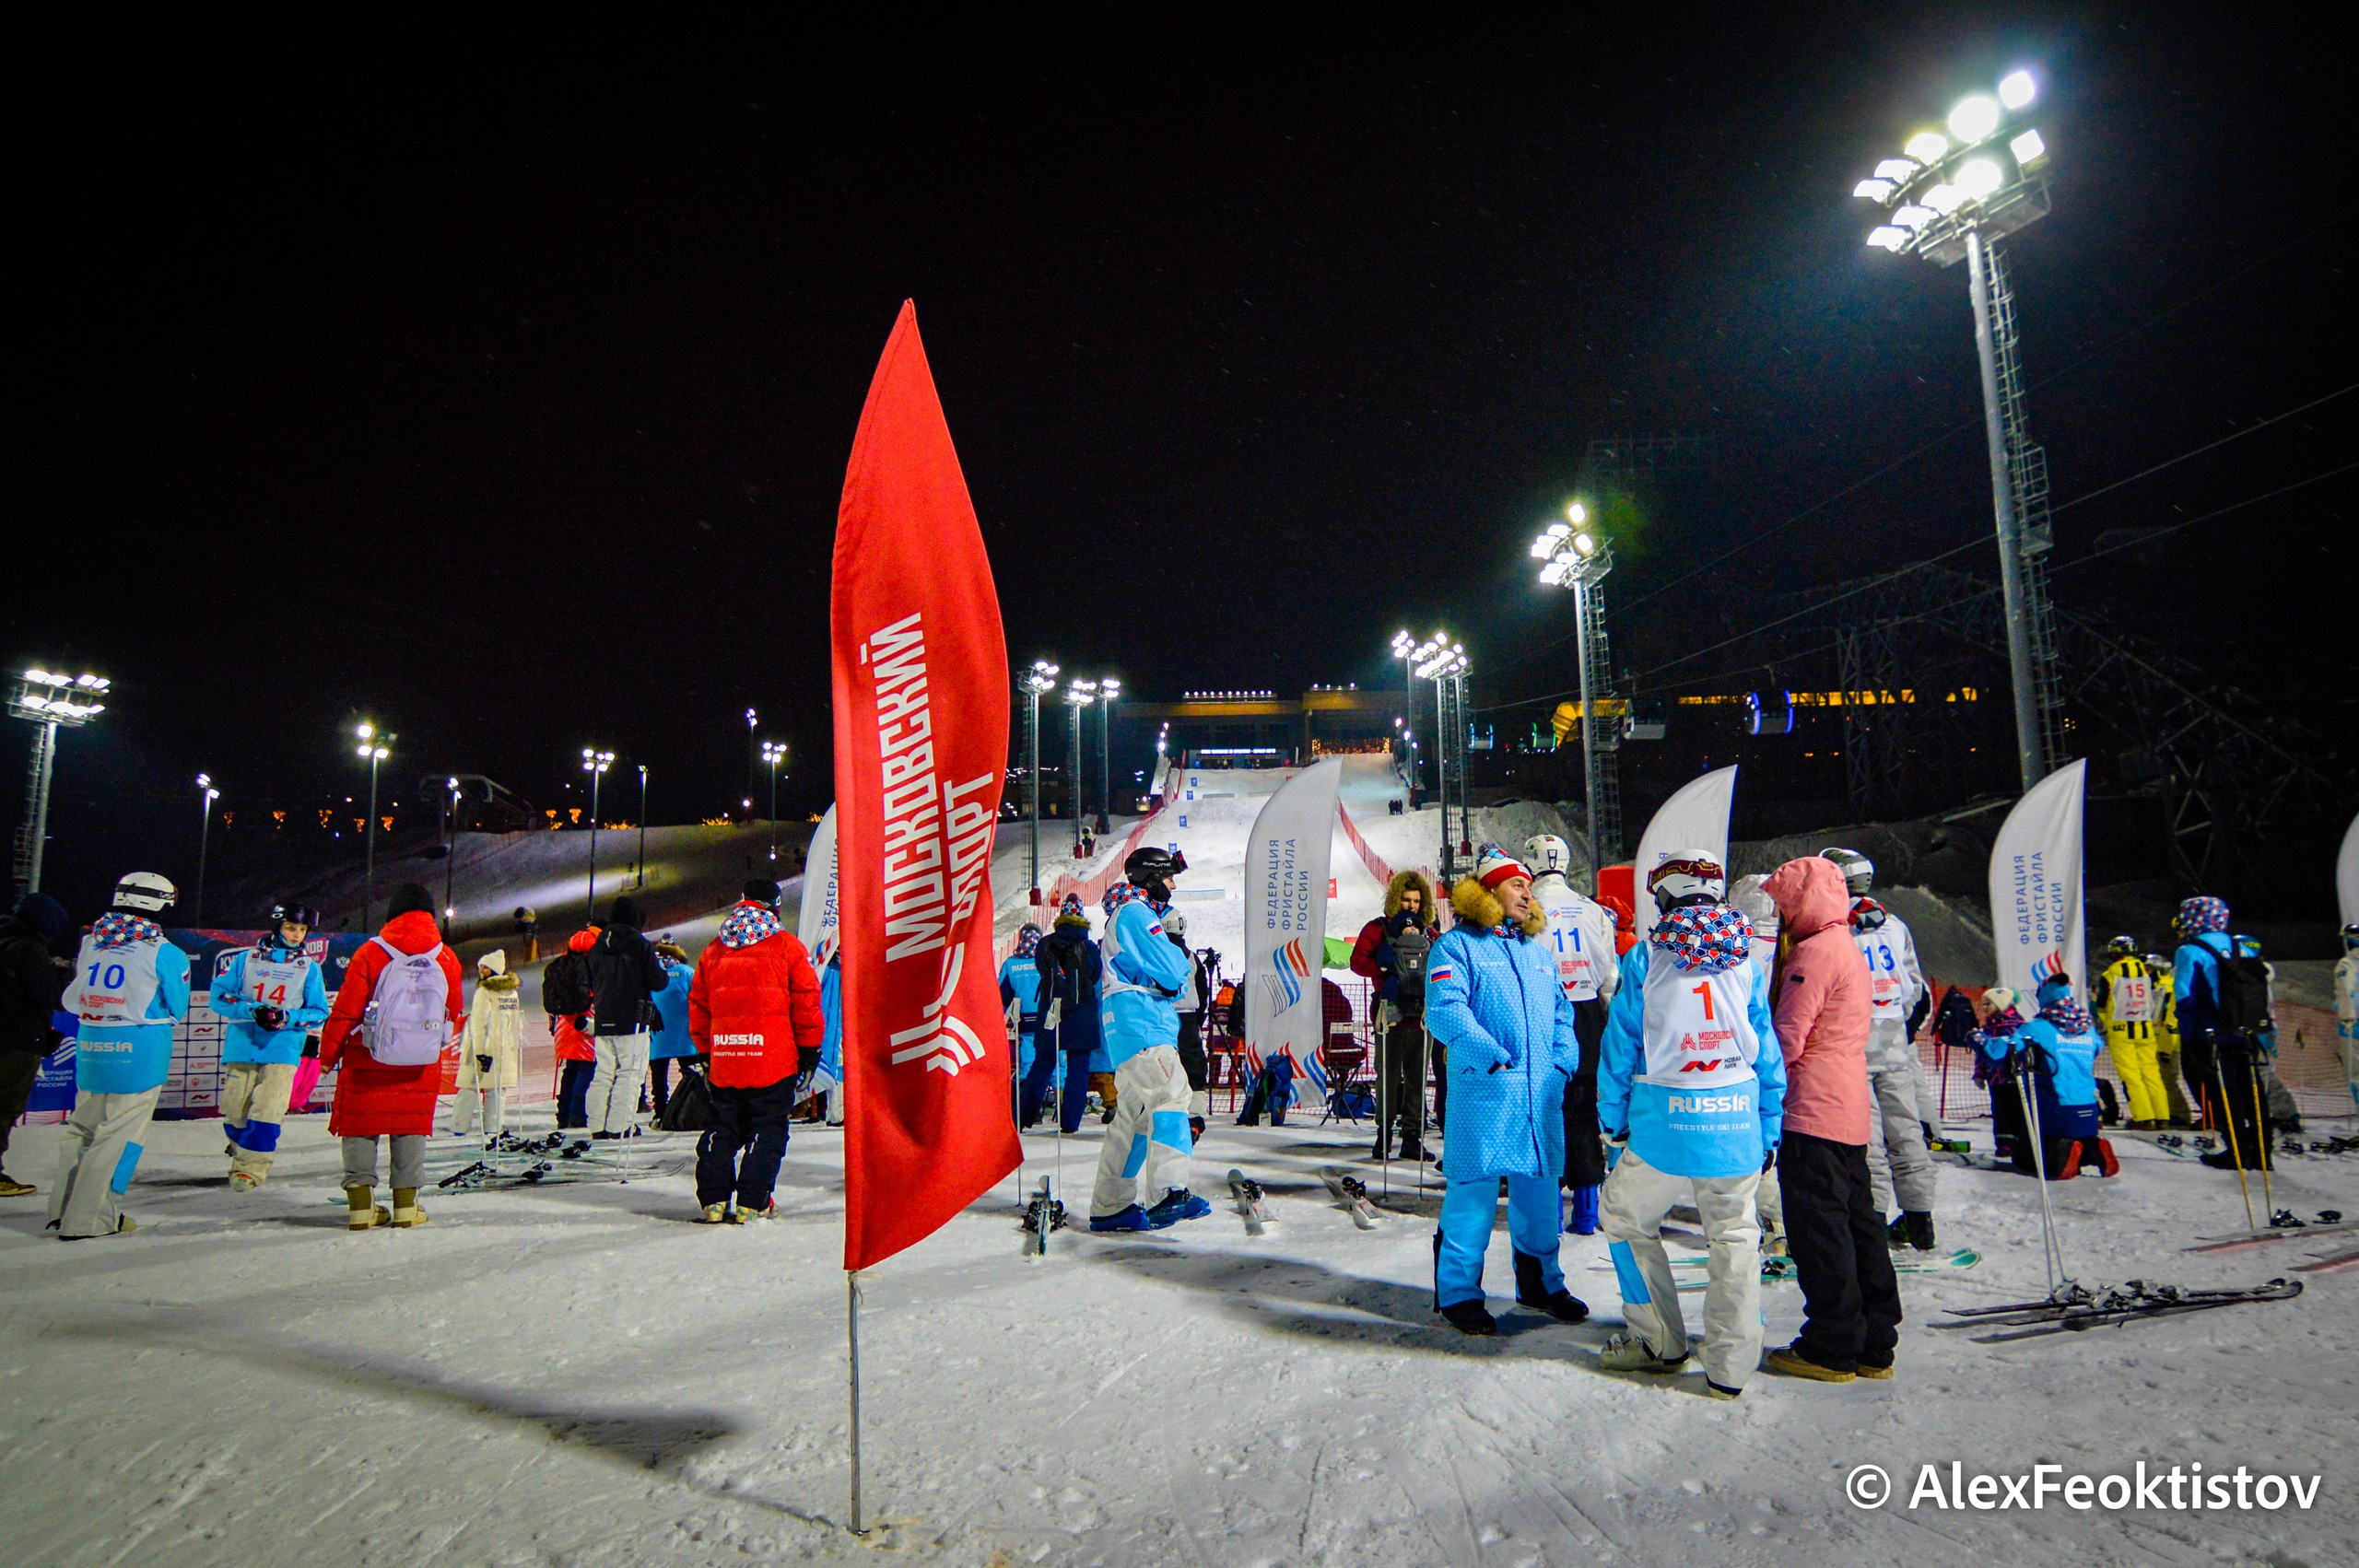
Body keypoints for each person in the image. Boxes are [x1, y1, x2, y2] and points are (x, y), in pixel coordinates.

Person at [1594, 850, 1785, 1398]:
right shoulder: (1746, 957)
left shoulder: (1646, 957)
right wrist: (1768, 1126)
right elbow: (1765, 1050)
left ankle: (1659, 1340)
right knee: (1735, 1238)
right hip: (1736, 1120)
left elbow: (1620, 1047)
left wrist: (1614, 1122)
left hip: (1663, 1122)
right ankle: (1731, 1365)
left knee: (1626, 1219)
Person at [1424, 846, 1589, 1335]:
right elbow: (1445, 1010)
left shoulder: (1537, 954)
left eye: (1528, 886)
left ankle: (1541, 1284)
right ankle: (1457, 1293)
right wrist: (1492, 1056)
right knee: (1471, 1198)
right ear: (1489, 890)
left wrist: (1561, 1065)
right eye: (1517, 884)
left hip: (1541, 1098)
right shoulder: (1455, 947)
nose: (1528, 892)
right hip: (1486, 1096)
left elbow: (1564, 1015)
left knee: (1540, 1196)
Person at [1758, 854, 1897, 1384]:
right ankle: (1874, 1341)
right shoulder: (1847, 946)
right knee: (1861, 1225)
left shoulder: (1813, 954)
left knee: (1821, 1231)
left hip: (1811, 1108)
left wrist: (1755, 1078)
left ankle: (1831, 1343)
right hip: (1848, 1107)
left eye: (1782, 903)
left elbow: (1787, 1038)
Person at [48, 874, 190, 1237]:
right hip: (140, 1047)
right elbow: (177, 1006)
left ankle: (62, 1211)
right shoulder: (165, 951)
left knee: (81, 1128)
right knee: (120, 1136)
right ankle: (90, 1219)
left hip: (92, 1040)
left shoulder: (92, 941)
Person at [323, 884, 464, 1230]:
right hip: (419, 1061)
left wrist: (328, 1053)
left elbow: (346, 1010)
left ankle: (360, 1208)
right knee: (409, 1127)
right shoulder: (445, 956)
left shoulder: (370, 952)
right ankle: (405, 1207)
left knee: (360, 1126)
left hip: (367, 1056)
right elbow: (454, 1008)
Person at [688, 880, 824, 1222]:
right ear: (775, 905)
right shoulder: (786, 947)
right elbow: (807, 1002)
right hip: (772, 1059)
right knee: (768, 1126)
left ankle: (714, 1200)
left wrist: (706, 1051)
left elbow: (699, 1005)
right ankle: (754, 1200)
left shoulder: (714, 949)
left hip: (726, 1057)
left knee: (723, 1126)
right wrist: (809, 1050)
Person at [1088, 849, 1209, 1232]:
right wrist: (1172, 978)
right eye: (1170, 877)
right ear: (1153, 877)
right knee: (1172, 1094)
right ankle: (1169, 1192)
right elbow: (1176, 971)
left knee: (1134, 1118)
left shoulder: (1124, 913)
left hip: (1125, 1026)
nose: (1173, 885)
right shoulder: (1138, 913)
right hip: (1142, 1022)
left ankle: (1112, 1206)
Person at [1523, 835, 1619, 1234]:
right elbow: (1609, 974)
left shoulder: (1527, 906)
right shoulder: (1592, 908)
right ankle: (1586, 1211)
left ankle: (1547, 1212)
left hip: (1542, 1014)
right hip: (1587, 1014)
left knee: (1543, 1110)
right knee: (1582, 1113)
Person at [209, 902, 330, 1188]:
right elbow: (218, 997)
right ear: (277, 926)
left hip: (283, 1047)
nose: (296, 935)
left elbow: (319, 1011)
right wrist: (253, 1010)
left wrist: (287, 1017)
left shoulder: (308, 968)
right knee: (235, 1111)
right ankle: (243, 1151)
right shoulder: (245, 959)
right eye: (291, 927)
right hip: (243, 1044)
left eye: (302, 930)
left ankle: (250, 1170)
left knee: (269, 1108)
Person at [1844, 894, 1938, 1249]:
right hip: (1894, 1045)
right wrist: (1901, 1026)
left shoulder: (1839, 926)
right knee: (1906, 1131)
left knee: (1869, 1139)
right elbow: (1915, 988)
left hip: (1856, 1048)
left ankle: (1874, 1222)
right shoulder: (1895, 925)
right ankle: (1920, 1221)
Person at [1981, 973, 2117, 1179]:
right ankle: (2093, 1148)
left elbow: (2001, 1052)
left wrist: (1978, 1040)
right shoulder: (2087, 1029)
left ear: (2044, 997)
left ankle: (2060, 1153)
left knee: (2025, 1153)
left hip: (2056, 1109)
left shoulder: (2038, 1028)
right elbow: (2097, 1047)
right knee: (2080, 1136)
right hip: (2089, 1109)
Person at [2174, 895, 2271, 1172]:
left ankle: (2237, 1150)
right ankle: (2263, 1152)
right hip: (2246, 1030)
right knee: (2252, 1091)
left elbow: (2185, 996)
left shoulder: (2190, 950)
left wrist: (2189, 1038)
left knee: (2224, 1095)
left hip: (2210, 1034)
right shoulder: (2243, 947)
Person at [1351, 870, 1440, 1162]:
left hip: (1420, 1013)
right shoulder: (1378, 930)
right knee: (1387, 1076)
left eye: (1416, 900)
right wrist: (1386, 971)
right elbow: (1357, 963)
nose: (1411, 906)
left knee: (1417, 1078)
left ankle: (1412, 1137)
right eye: (1405, 899)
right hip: (1389, 1010)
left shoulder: (1429, 932)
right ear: (1394, 900)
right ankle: (1384, 1135)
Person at [0, 892, 72, 1197]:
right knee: (5, 1107)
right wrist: (64, 974)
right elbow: (49, 994)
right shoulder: (29, 948)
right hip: (17, 1040)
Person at [585, 895, 666, 1139]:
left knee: (603, 1073)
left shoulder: (599, 945)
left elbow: (591, 979)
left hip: (604, 1018)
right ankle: (619, 1126)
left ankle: (597, 1126)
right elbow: (657, 981)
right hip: (633, 1019)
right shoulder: (640, 944)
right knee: (630, 1073)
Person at [1034, 895, 1103, 1135]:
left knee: (1043, 1062)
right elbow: (1095, 976)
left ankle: (1024, 1115)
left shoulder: (1045, 944)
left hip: (1051, 1009)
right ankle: (1070, 1123)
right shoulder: (1090, 947)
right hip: (1082, 1012)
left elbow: (1041, 971)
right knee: (1078, 1068)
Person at [2092, 935, 2170, 1129]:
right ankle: (2162, 1117)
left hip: (2121, 1031)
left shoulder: (2110, 975)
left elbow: (2101, 1005)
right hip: (2146, 1030)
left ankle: (2143, 1118)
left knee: (2131, 1075)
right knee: (2152, 1074)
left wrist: (2109, 1021)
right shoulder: (2148, 972)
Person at [452, 949, 523, 1141]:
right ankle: (493, 1127)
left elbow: (479, 1022)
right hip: (504, 1048)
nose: (481, 971)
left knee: (468, 1087)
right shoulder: (511, 993)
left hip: (480, 1046)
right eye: (480, 967)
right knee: (497, 1090)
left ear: (493, 969)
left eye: (484, 967)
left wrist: (479, 1050)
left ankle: (460, 1126)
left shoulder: (484, 992)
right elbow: (515, 1022)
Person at [544, 927, 599, 1129]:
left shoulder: (559, 964)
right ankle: (577, 1114)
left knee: (571, 1070)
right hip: (585, 1023)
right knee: (586, 1070)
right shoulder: (589, 966)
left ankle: (563, 1114)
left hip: (563, 1024)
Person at [1164, 912, 1213, 1141]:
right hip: (1188, 1018)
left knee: (1162, 1065)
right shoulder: (1191, 957)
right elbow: (1203, 991)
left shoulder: (1158, 953)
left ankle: (1162, 1113)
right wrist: (1198, 1018)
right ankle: (1194, 1117)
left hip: (1163, 1017)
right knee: (1193, 1066)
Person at [1000, 924, 1048, 1125]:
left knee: (1028, 1063)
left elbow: (1002, 996)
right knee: (1055, 1063)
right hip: (1048, 1018)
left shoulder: (1011, 964)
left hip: (1025, 1021)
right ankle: (1062, 1104)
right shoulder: (1046, 960)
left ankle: (1028, 1107)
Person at [647, 938, 697, 1122]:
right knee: (691, 1073)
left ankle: (660, 1111)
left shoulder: (652, 972)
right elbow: (698, 998)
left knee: (659, 1077)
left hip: (658, 1033)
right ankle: (691, 1107)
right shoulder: (686, 972)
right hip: (685, 1033)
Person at [2147, 954, 2196, 1127]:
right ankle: (2161, 1112)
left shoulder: (2169, 989)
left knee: (2167, 1079)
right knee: (2157, 1080)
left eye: (2149, 969)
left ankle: (2180, 1114)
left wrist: (2166, 1049)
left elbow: (2171, 1022)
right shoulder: (2157, 988)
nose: (2146, 972)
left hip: (2168, 1044)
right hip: (2155, 1042)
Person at [2338, 923, 2359, 1111]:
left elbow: (2346, 991)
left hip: (2354, 1026)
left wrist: (2347, 1018)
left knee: (2356, 1075)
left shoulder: (2347, 964)